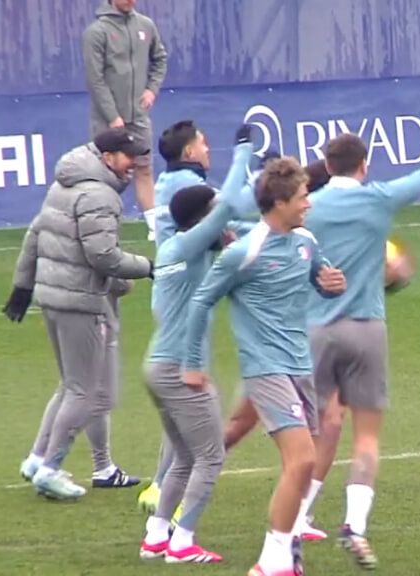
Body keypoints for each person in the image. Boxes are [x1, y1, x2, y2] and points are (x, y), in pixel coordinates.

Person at [297, 87, 420, 567]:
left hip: (316, 331)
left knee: (310, 433)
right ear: (364, 165)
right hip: (367, 328)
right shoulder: (379, 200)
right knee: (366, 437)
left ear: (326, 167)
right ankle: (355, 524)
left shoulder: (308, 208)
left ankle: (296, 518)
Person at [182, 157, 346, 576]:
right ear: (279, 202)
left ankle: (285, 553)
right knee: (303, 460)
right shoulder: (244, 252)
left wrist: (330, 286)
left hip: (299, 366)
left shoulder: (306, 242)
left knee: (302, 464)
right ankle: (271, 562)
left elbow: (319, 282)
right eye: (303, 197)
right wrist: (193, 362)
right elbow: (202, 301)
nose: (309, 203)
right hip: (265, 368)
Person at [2, 128, 155, 500]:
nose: (133, 163)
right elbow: (102, 255)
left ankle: (37, 459)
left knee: (71, 385)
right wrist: (148, 267)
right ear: (107, 157)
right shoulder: (98, 194)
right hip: (80, 301)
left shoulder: (65, 183)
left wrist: (23, 287)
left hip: (53, 296)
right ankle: (50, 468)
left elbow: (36, 235)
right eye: (127, 156)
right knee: (87, 393)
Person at [137, 125, 255, 564]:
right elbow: (227, 208)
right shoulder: (191, 246)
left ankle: (156, 535)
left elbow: (226, 220)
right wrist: (243, 151)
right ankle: (182, 542)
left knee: (185, 454)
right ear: (200, 220)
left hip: (156, 364)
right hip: (178, 368)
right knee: (210, 456)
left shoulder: (174, 249)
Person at [137, 119, 212, 515]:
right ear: (188, 153)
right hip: (185, 295)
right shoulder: (187, 188)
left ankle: (162, 483)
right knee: (187, 398)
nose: (208, 147)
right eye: (202, 142)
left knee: (177, 401)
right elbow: (229, 211)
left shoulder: (167, 183)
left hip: (169, 290)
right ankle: (164, 487)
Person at [83, 0, 168, 240]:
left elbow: (160, 59)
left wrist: (151, 89)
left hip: (139, 117)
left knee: (143, 168)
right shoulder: (97, 32)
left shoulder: (146, 25)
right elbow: (95, 79)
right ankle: (104, 226)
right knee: (107, 173)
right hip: (107, 121)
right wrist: (112, 116)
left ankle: (154, 226)